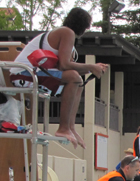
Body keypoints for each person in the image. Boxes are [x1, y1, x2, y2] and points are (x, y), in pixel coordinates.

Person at [10, 8, 108, 149]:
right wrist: (91, 67)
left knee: (78, 81)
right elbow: (64, 65)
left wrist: (93, 68)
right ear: (83, 25)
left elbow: (66, 67)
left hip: (32, 73)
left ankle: (70, 127)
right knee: (74, 77)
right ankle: (63, 128)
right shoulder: (66, 32)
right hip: (23, 73)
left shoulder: (66, 40)